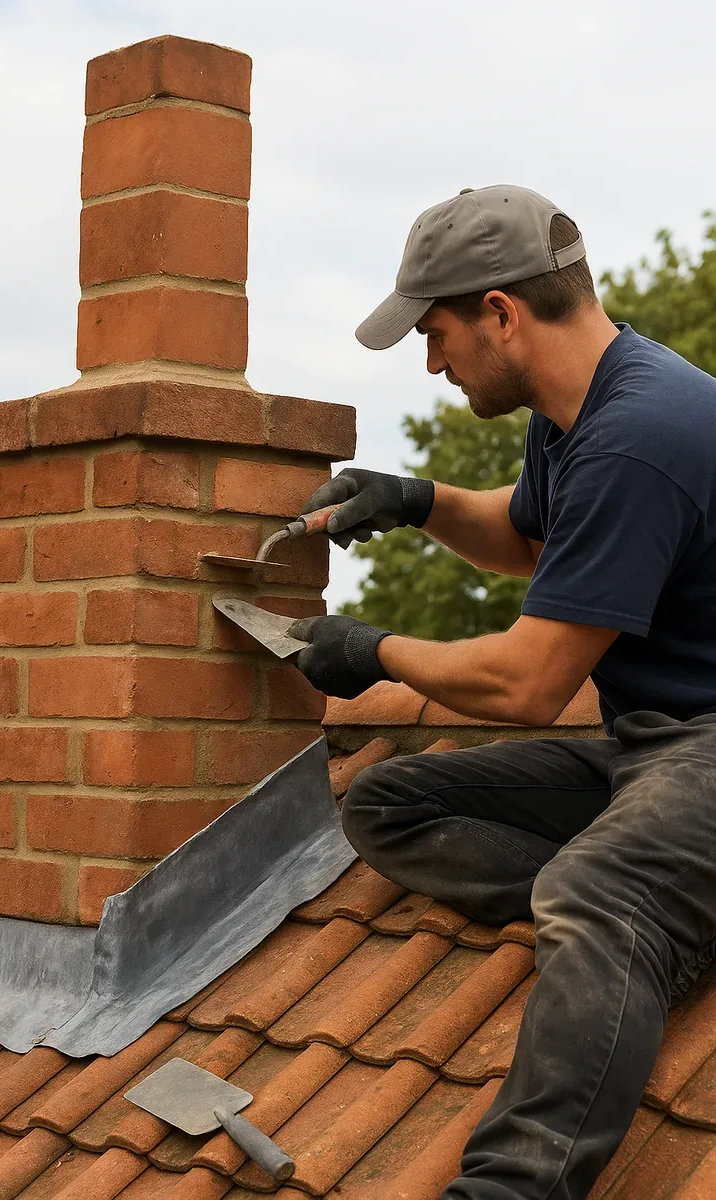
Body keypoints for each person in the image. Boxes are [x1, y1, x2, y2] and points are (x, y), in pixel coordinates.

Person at [289, 185, 716, 1200]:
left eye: (432, 335)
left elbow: (528, 685)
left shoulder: (636, 435)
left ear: (498, 312)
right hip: (655, 749)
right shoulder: (579, 413)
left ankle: (509, 1187)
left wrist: (375, 650)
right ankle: (665, 923)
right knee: (392, 802)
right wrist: (413, 502)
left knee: (591, 890)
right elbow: (527, 537)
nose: (430, 364)